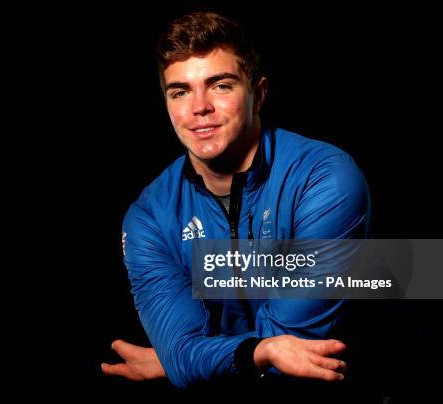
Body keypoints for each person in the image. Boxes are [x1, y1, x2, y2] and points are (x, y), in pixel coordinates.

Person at [102, 11, 370, 391]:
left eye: (220, 86)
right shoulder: (148, 217)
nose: (199, 108)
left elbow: (297, 354)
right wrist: (249, 353)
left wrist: (180, 363)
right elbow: (192, 352)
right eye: (180, 91)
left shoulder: (326, 179)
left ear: (258, 93)